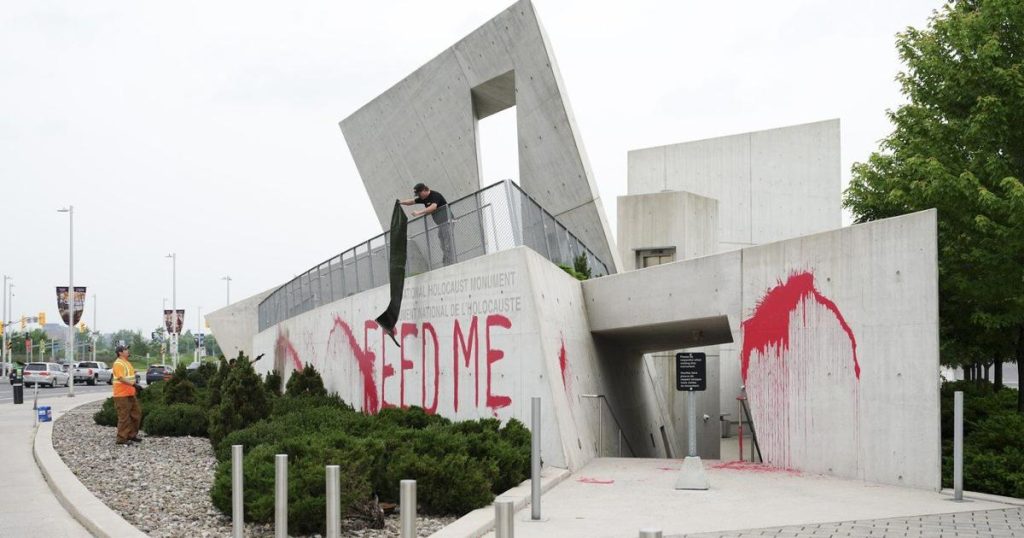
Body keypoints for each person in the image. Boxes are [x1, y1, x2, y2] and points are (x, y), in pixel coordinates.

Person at [400, 182, 455, 266]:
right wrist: (400, 202)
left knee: (447, 242)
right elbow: (411, 201)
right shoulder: (423, 198)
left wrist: (419, 212)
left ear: (424, 190)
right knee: (442, 243)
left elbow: (433, 207)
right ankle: (447, 261)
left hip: (447, 221)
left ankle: (449, 262)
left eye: (419, 194)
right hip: (441, 224)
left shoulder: (434, 195)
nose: (419, 196)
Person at [111, 344, 142, 445]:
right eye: (125, 350)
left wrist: (134, 372)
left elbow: (128, 375)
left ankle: (131, 435)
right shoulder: (118, 363)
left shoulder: (127, 362)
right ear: (120, 353)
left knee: (136, 414)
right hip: (121, 395)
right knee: (124, 417)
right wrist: (134, 384)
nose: (128, 351)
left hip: (130, 393)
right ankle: (121, 438)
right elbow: (120, 378)